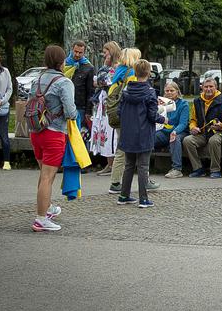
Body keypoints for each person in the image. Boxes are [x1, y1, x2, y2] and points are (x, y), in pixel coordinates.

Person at [30, 45, 77, 232]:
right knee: (48, 178)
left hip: (37, 132)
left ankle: (47, 208)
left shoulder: (37, 79)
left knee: (43, 176)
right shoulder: (64, 82)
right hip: (54, 133)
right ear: (61, 61)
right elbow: (70, 111)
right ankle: (41, 219)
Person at [116, 60, 165, 208]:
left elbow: (119, 112)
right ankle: (143, 198)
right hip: (144, 133)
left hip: (128, 133)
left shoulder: (125, 91)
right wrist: (164, 118)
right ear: (149, 73)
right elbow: (152, 115)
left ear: (135, 72)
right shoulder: (150, 92)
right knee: (143, 166)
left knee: (129, 165)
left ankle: (124, 195)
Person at [183, 77, 222, 178]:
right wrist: (193, 128)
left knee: (213, 140)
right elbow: (193, 120)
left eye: (211, 86)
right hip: (204, 133)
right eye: (206, 87)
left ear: (216, 87)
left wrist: (221, 125)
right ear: (202, 88)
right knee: (187, 140)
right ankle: (198, 168)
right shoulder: (197, 101)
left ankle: (215, 170)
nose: (208, 89)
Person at [90, 41, 122, 175]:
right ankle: (109, 164)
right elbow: (96, 82)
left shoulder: (119, 67)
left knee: (111, 133)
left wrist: (100, 80)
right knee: (104, 132)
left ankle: (114, 165)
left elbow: (103, 81)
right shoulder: (107, 67)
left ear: (112, 52)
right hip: (103, 105)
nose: (104, 55)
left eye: (105, 52)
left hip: (112, 104)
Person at [158, 82, 190, 178]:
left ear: (177, 92)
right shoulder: (162, 103)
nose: (169, 93)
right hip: (164, 132)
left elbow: (183, 123)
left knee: (175, 138)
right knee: (149, 137)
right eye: (167, 91)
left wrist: (175, 131)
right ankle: (141, 165)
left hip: (180, 131)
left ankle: (177, 169)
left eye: (172, 91)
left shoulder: (183, 104)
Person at [64, 40, 95, 132]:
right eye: (75, 51)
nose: (77, 54)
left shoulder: (89, 68)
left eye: (80, 53)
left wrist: (88, 111)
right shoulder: (64, 64)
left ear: (84, 53)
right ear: (72, 50)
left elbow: (90, 91)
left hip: (79, 107)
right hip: (64, 104)